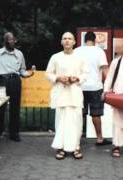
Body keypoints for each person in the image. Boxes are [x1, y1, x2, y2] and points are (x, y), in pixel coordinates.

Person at [46, 32, 88, 160]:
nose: (67, 41)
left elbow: (86, 74)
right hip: (60, 93)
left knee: (76, 121)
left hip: (75, 93)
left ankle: (76, 147)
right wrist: (58, 78)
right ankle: (61, 148)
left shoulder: (80, 57)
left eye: (70, 38)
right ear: (61, 42)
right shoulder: (55, 57)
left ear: (75, 42)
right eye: (64, 38)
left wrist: (77, 78)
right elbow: (48, 74)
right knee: (61, 122)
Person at [0, 32, 33, 142]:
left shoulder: (19, 54)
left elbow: (22, 70)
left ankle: (14, 134)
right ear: (5, 41)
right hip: (2, 81)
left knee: (15, 108)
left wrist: (28, 74)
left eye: (13, 40)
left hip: (15, 80)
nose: (12, 42)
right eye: (9, 40)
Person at [74, 31, 111, 146]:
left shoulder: (77, 51)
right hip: (96, 87)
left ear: (84, 40)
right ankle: (99, 138)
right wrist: (109, 86)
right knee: (96, 114)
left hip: (80, 86)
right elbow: (105, 70)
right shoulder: (99, 51)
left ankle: (76, 139)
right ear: (95, 40)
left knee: (80, 114)